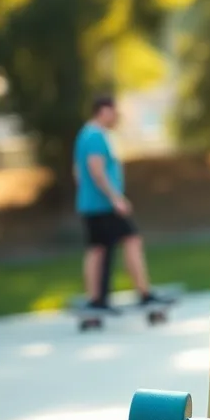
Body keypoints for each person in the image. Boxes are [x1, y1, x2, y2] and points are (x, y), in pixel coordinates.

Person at [72, 95, 169, 311]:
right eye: (114, 113)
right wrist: (116, 198)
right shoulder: (96, 136)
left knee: (97, 249)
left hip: (91, 204)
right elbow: (96, 170)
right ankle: (143, 292)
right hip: (104, 205)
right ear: (103, 111)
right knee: (132, 239)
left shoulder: (84, 135)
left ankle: (96, 298)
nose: (116, 118)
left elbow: (78, 173)